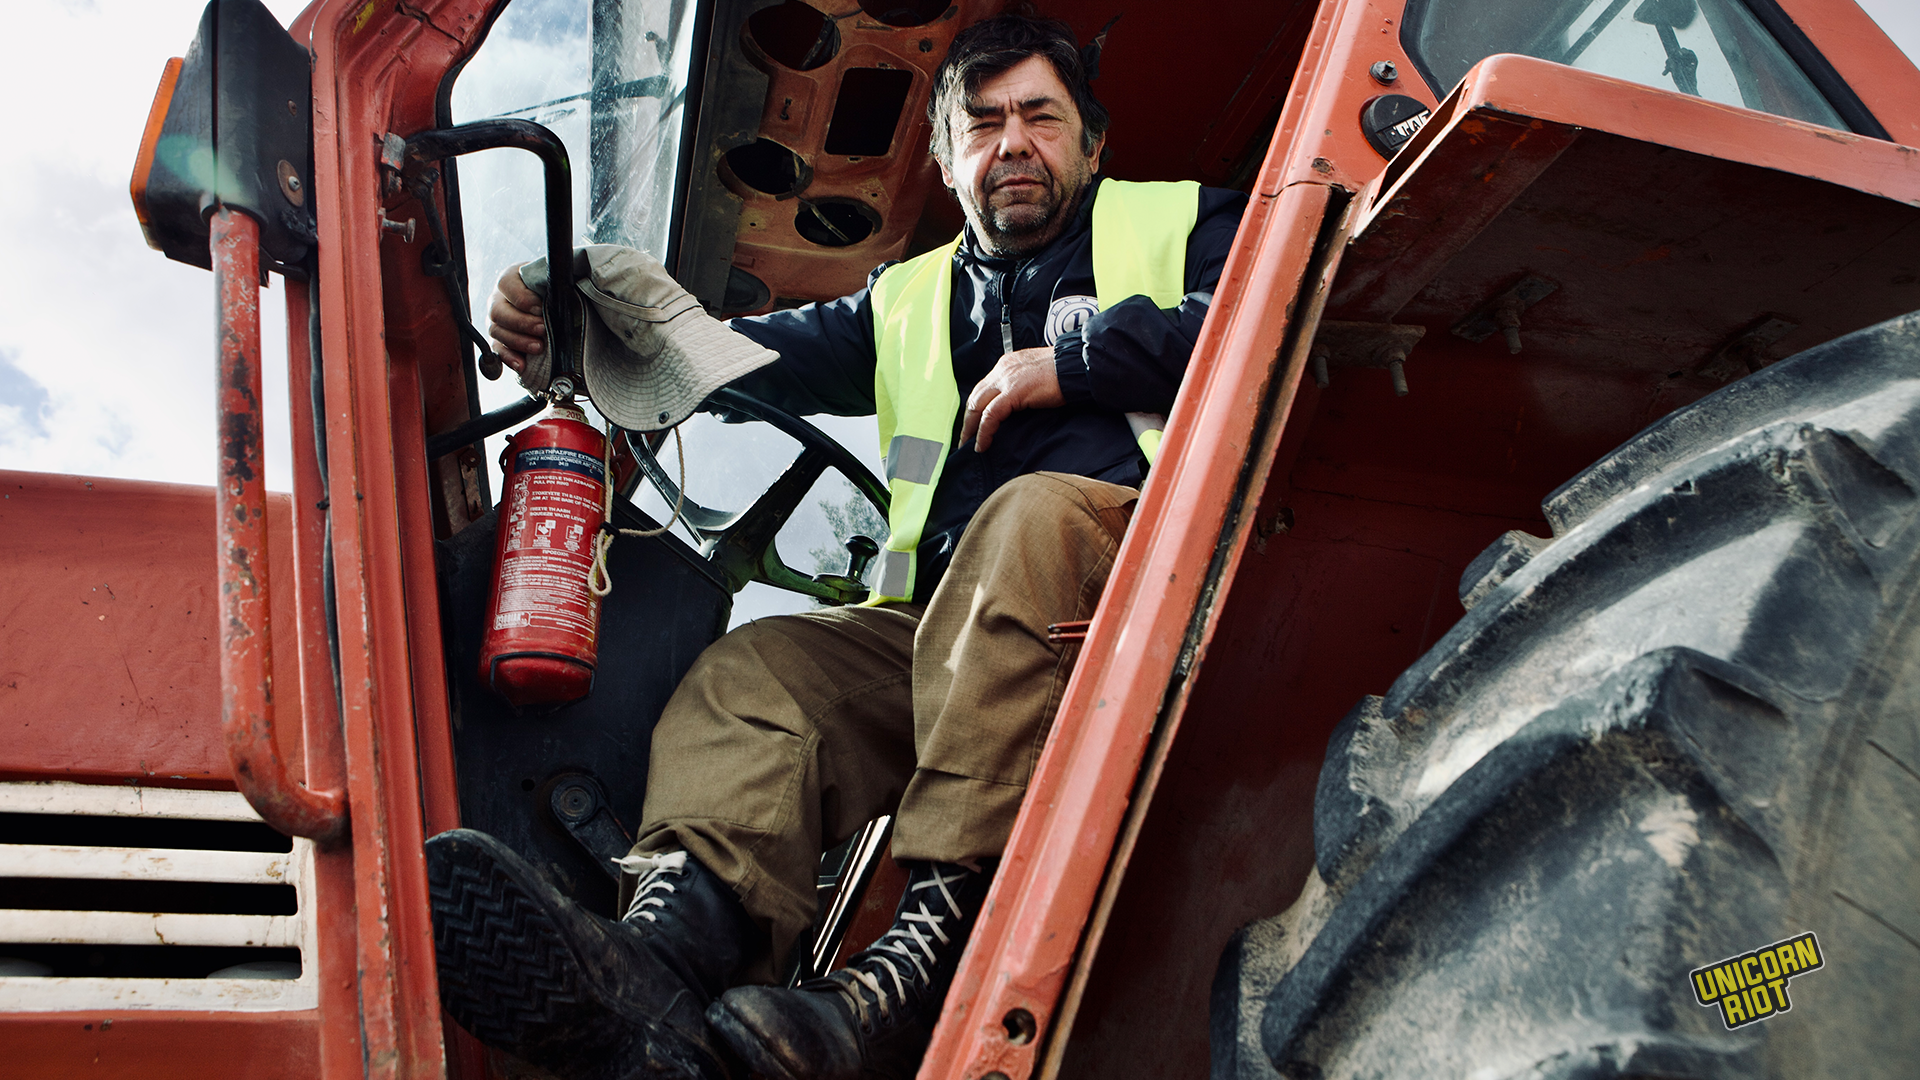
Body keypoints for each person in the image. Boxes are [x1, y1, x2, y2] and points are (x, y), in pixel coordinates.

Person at [425, 13, 1246, 1080]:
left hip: (1139, 584)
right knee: (761, 674)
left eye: (1040, 119)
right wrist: (592, 330)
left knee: (1027, 517)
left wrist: (1078, 362)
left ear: (1091, 145)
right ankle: (663, 973)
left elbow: (1272, 302)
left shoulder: (1190, 222)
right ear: (948, 162)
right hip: (955, 632)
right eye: (982, 125)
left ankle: (920, 968)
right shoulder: (907, 301)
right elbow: (743, 365)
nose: (1013, 143)